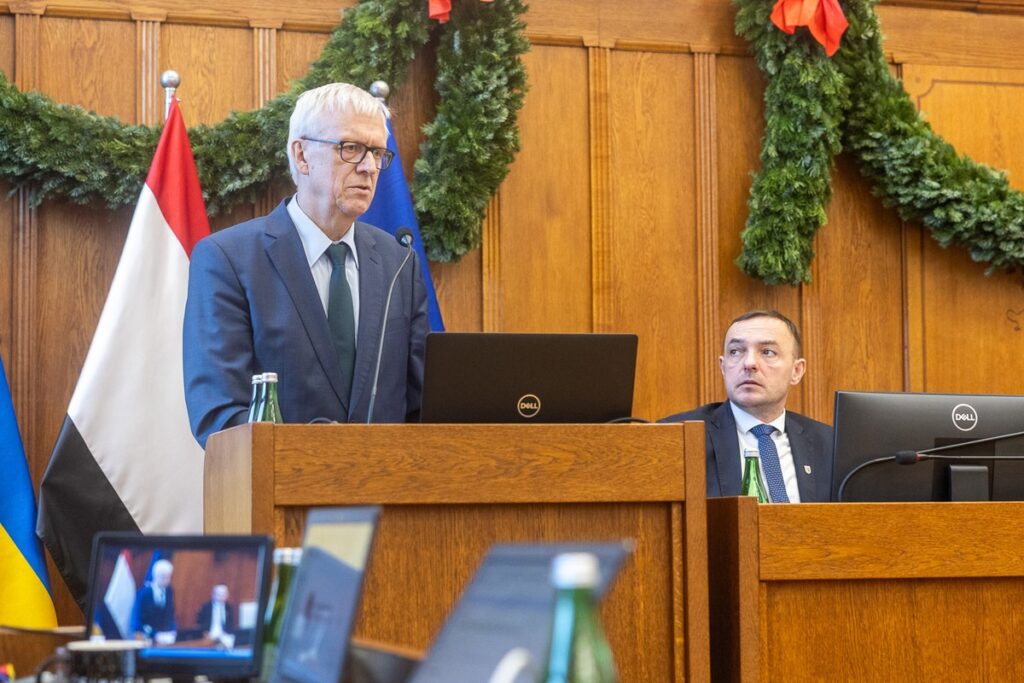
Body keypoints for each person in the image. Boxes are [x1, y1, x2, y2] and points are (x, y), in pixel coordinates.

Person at [184, 82, 429, 447]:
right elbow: (218, 414)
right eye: (351, 148)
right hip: (280, 497)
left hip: (385, 497)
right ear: (301, 155)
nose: (369, 167)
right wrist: (315, 457)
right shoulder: (228, 260)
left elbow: (421, 407)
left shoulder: (398, 264)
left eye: (378, 152)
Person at [661, 310, 833, 502]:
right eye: (736, 351)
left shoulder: (830, 445)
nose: (749, 363)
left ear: (797, 371)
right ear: (723, 367)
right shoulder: (677, 437)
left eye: (767, 352)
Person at [132, 558, 177, 643]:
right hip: (147, 637)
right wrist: (155, 634)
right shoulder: (144, 593)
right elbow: (138, 622)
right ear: (155, 576)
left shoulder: (169, 591)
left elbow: (170, 615)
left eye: (168, 577)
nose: (167, 581)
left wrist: (173, 631)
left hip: (166, 638)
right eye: (164, 577)